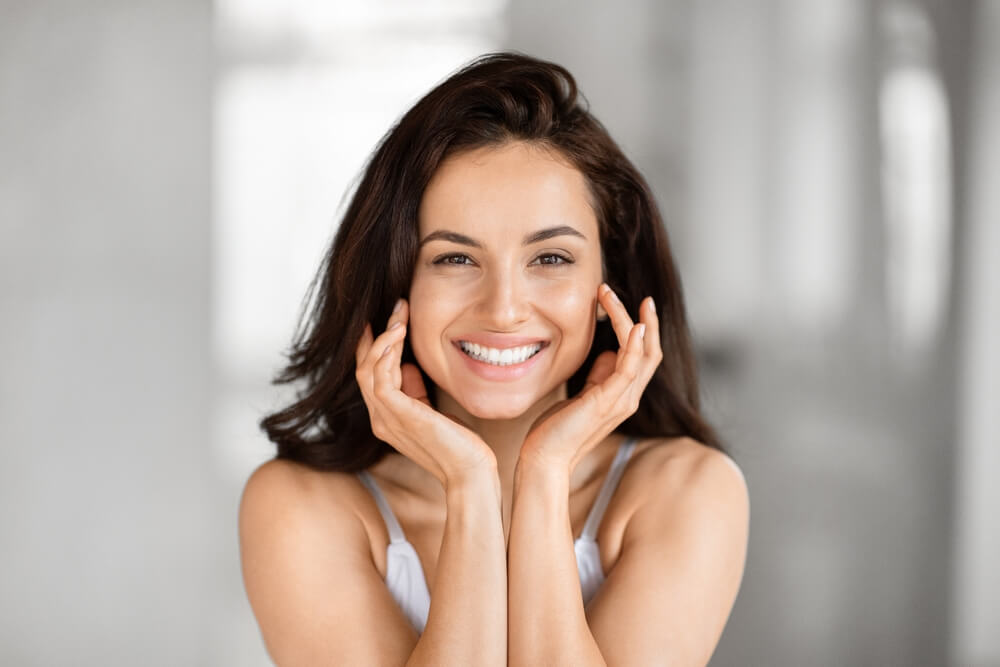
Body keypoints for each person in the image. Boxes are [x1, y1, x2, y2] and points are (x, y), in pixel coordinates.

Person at [238, 51, 748, 666]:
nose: (503, 309)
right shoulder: (300, 507)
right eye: (454, 259)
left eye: (551, 258)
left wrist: (544, 471)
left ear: (606, 282)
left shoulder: (689, 490)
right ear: (396, 281)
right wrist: (470, 485)